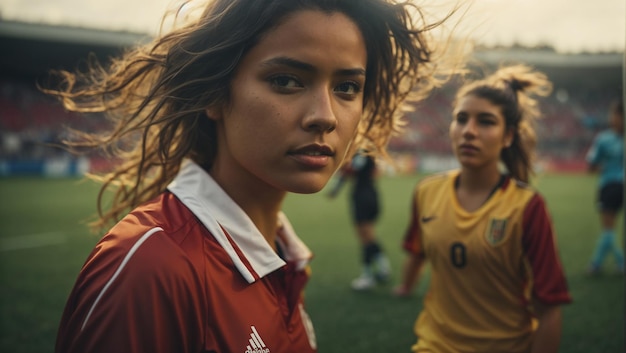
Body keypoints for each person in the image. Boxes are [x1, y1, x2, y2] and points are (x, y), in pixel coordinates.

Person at [42, 0, 462, 352]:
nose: (325, 116)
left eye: (348, 88)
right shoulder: (152, 267)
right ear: (214, 94)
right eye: (286, 80)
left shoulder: (280, 251)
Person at [393, 65, 572, 353]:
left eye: (486, 122)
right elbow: (417, 251)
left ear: (508, 136)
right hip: (434, 345)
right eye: (461, 119)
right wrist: (405, 286)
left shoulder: (527, 206)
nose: (469, 132)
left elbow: (549, 307)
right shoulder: (427, 191)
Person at [327, 149, 391, 290]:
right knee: (369, 236)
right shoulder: (369, 153)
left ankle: (367, 276)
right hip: (372, 195)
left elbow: (349, 172)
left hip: (362, 198)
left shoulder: (360, 154)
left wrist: (335, 190)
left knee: (365, 238)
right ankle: (383, 267)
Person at [585, 98, 625, 275]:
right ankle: (600, 264)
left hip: (610, 185)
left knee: (608, 229)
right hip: (617, 186)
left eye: (614, 114)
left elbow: (591, 166)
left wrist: (604, 166)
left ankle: (601, 263)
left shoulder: (604, 138)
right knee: (609, 229)